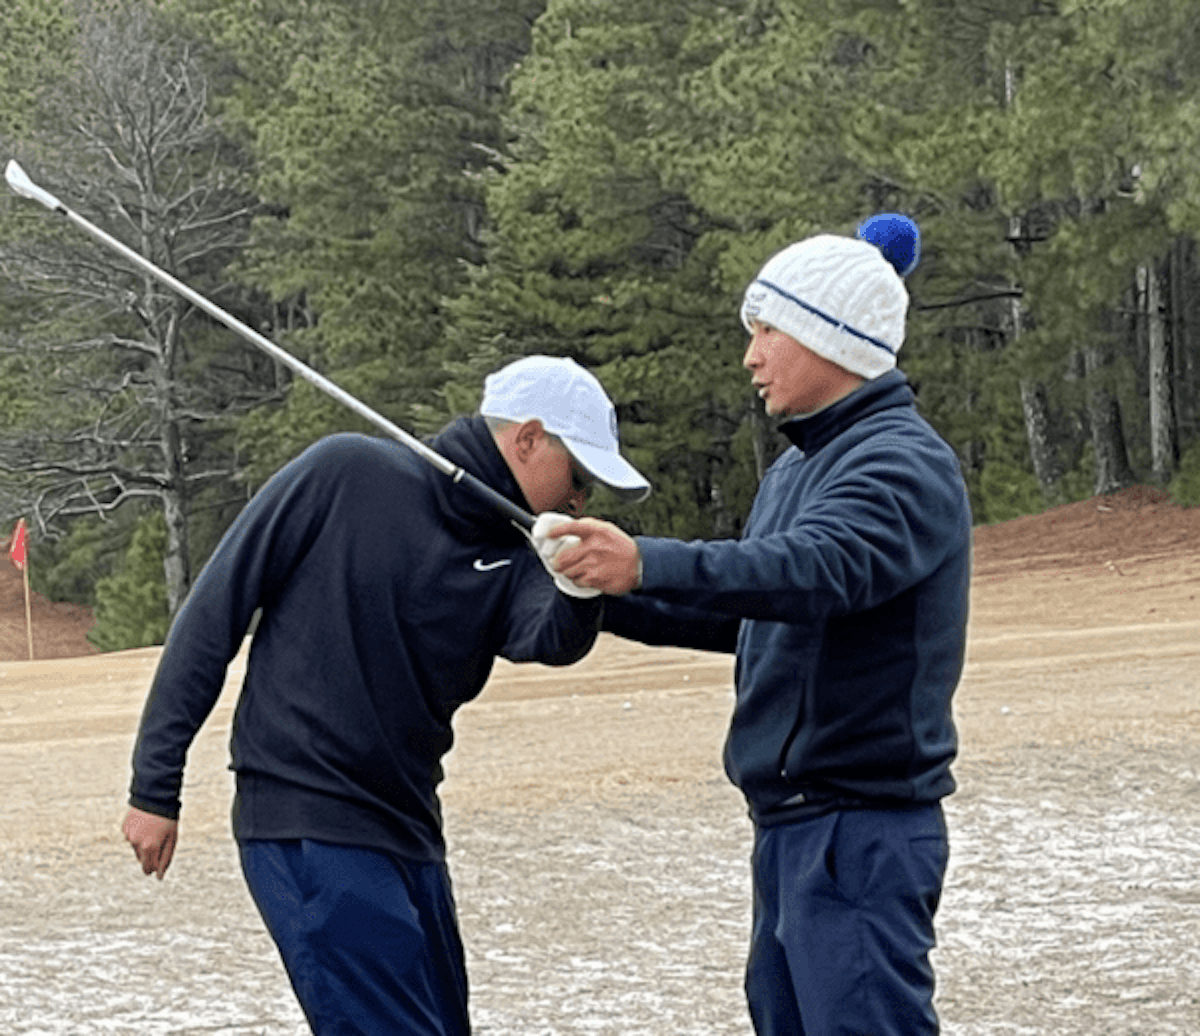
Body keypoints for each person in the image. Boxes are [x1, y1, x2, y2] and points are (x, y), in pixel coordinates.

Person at [121, 355, 650, 1036]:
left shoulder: (516, 559)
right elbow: (213, 613)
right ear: (527, 439)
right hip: (306, 820)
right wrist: (153, 787)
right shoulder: (344, 472)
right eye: (578, 479)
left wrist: (578, 586)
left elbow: (547, 638)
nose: (580, 501)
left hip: (408, 833)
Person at [546, 215, 972, 1036]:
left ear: (828, 336)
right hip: (790, 828)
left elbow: (816, 569)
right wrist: (600, 593)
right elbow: (753, 611)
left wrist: (646, 561)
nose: (750, 356)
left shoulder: (902, 461)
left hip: (860, 830)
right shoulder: (799, 466)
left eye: (766, 329)